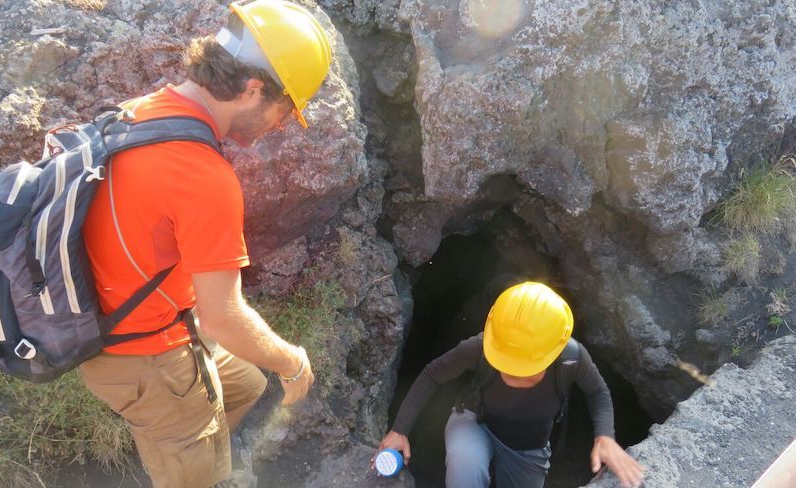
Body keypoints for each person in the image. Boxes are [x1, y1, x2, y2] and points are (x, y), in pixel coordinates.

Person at [78, 1, 332, 487]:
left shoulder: (147, 111)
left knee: (247, 383)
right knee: (200, 474)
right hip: (142, 355)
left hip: (134, 312)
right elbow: (222, 317)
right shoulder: (203, 176)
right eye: (284, 110)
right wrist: (295, 363)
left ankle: (201, 451)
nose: (280, 125)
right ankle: (194, 470)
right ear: (253, 89)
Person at [378, 282, 645, 488]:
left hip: (528, 447)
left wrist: (605, 437)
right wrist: (399, 429)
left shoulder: (571, 359)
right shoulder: (480, 347)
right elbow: (432, 374)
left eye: (523, 364)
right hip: (475, 422)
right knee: (465, 460)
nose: (512, 372)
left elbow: (597, 391)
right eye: (506, 360)